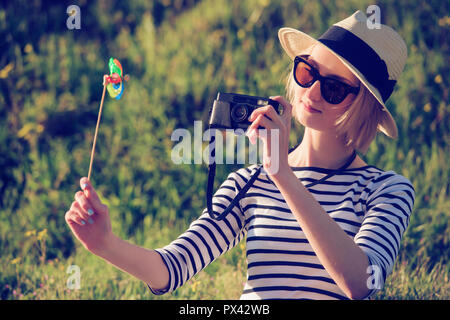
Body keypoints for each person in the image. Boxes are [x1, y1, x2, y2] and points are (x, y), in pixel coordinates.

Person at [65, 11, 415, 300]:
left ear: (366, 107)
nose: (312, 91)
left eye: (335, 88)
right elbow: (173, 267)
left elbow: (361, 283)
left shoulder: (386, 190)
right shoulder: (251, 181)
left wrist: (284, 176)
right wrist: (105, 244)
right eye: (308, 71)